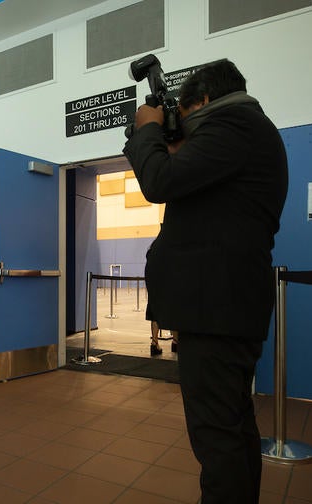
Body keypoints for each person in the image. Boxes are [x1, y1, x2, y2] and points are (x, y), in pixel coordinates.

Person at [123, 59, 288, 503]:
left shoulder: (235, 125)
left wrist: (147, 130)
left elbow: (160, 180)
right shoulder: (248, 133)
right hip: (224, 309)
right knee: (232, 428)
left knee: (216, 438)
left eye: (188, 110)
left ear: (207, 101)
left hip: (216, 311)